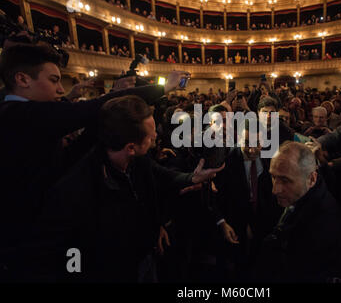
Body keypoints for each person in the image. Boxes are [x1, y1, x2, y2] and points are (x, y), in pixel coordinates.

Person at [0, 43, 189, 280]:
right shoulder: (19, 116)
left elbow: (72, 153)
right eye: (53, 80)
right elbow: (92, 109)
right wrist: (163, 88)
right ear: (22, 79)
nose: (61, 90)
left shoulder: (26, 117)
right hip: (35, 245)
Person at [33, 96, 223, 282]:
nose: (157, 136)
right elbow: (67, 256)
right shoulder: (76, 190)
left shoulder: (138, 159)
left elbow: (162, 175)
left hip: (145, 257)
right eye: (151, 136)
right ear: (131, 147)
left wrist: (191, 178)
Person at [254, 142, 341, 282]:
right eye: (273, 177)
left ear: (312, 179)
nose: (275, 190)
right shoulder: (298, 195)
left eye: (285, 180)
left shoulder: (322, 228)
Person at [215, 124, 282, 281]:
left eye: (257, 143)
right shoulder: (226, 161)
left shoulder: (271, 157)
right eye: (246, 143)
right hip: (236, 223)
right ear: (238, 140)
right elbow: (217, 197)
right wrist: (222, 222)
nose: (252, 150)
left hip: (264, 221)